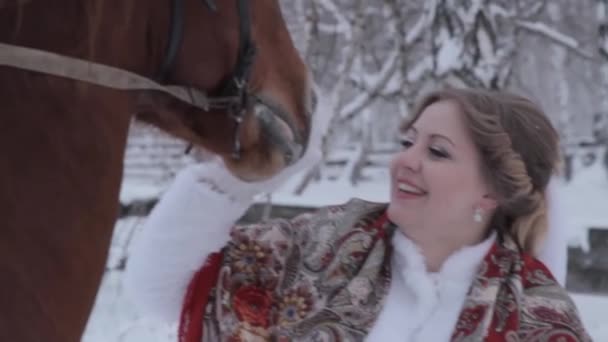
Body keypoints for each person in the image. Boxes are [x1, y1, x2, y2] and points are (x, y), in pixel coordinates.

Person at [124, 87, 591, 341]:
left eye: (438, 152)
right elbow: (166, 292)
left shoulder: (536, 317)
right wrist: (232, 179)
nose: (405, 160)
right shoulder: (322, 246)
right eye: (408, 141)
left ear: (491, 194)